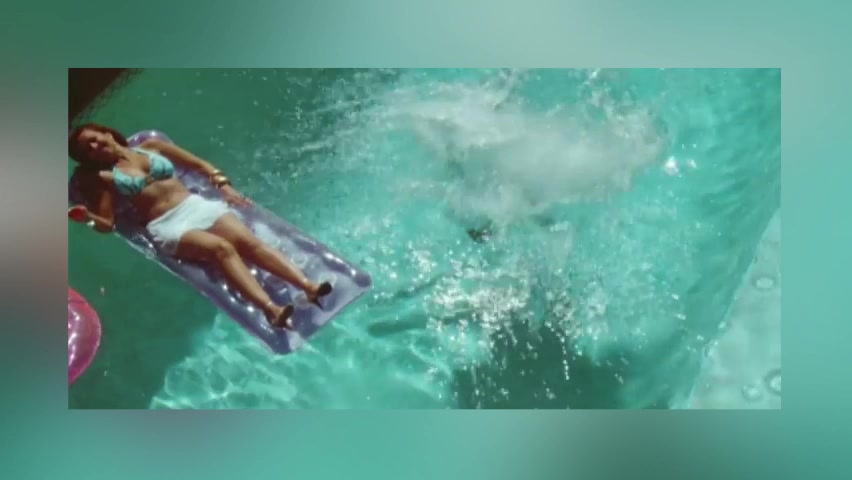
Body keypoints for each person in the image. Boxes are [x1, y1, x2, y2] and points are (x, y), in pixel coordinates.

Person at [67, 123, 332, 330]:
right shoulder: (104, 177)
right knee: (221, 249)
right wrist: (86, 216)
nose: (95, 146)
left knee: (250, 243)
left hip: (196, 206)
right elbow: (107, 224)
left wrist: (224, 186)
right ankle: (271, 310)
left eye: (94, 138)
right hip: (167, 224)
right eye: (87, 149)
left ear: (106, 133)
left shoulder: (152, 146)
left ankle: (308, 287)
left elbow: (198, 164)